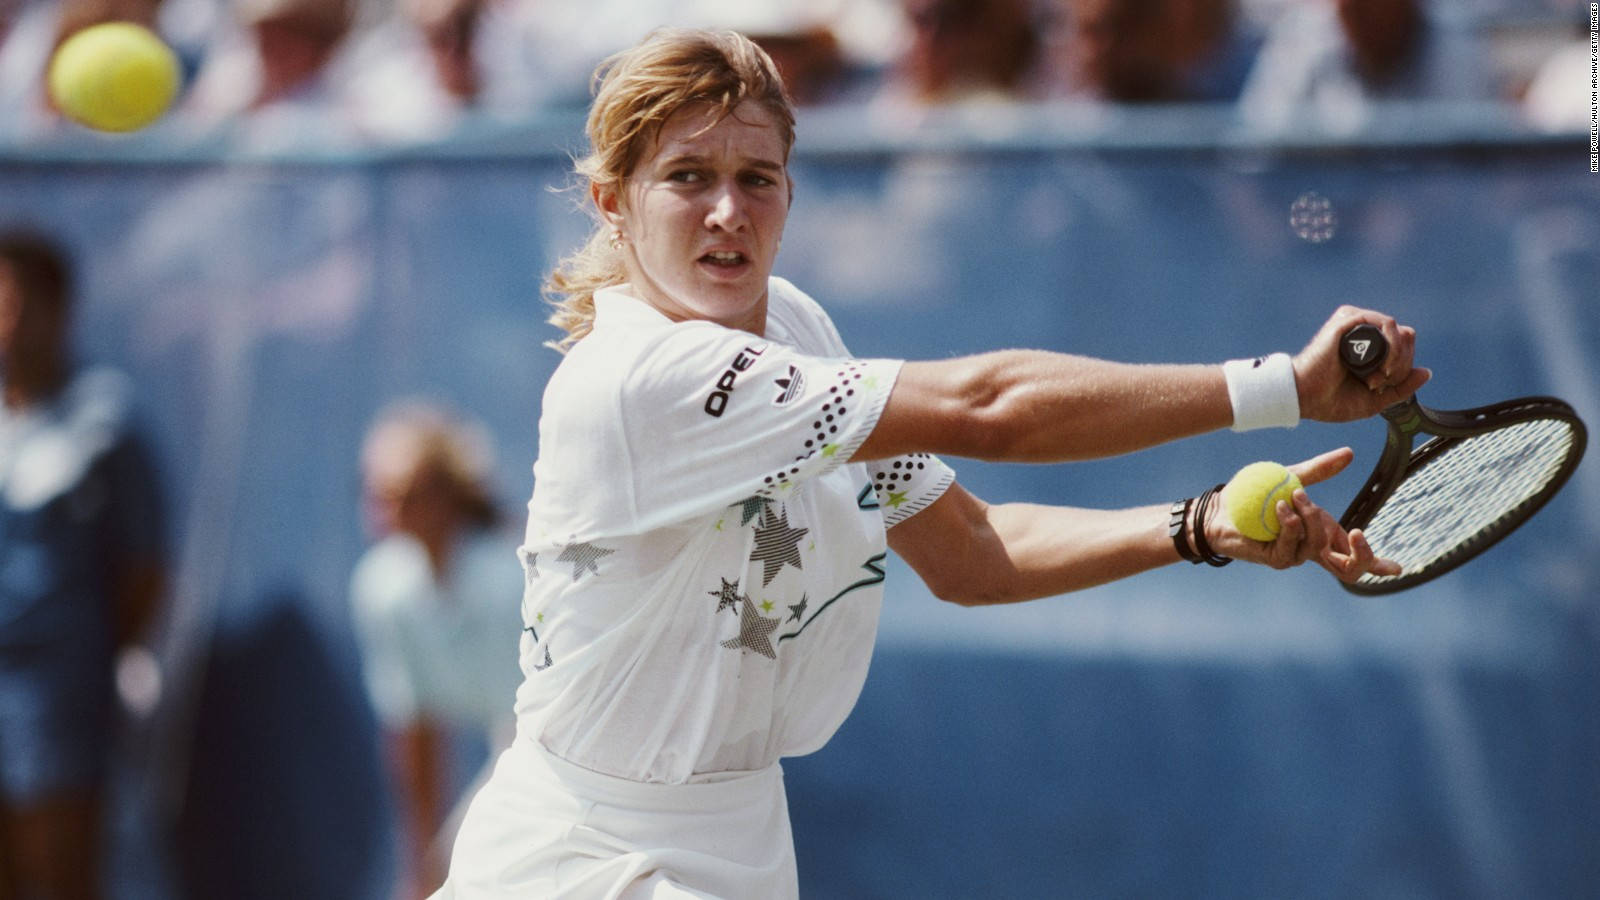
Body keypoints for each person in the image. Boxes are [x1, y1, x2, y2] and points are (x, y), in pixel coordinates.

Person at [432, 28, 1428, 899]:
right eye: (687, 176)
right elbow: (984, 410)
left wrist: (1197, 526)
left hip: (737, 836)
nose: (728, 211)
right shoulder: (643, 377)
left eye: (756, 178)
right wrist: (1278, 390)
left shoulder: (799, 328)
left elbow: (972, 553)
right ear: (613, 203)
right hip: (582, 857)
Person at [0, 229, 167, 900]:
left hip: (57, 697)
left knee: (62, 875)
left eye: (17, 305)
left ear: (58, 311)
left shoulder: (105, 418)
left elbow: (146, 571)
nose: (5, 324)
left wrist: (81, 663)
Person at [350, 400, 523, 900]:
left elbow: (535, 728)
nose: (393, 513)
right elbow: (417, 734)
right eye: (380, 497)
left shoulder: (509, 578)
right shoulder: (380, 590)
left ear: (449, 497)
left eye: (410, 496)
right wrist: (421, 864)